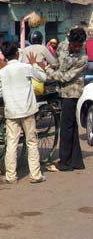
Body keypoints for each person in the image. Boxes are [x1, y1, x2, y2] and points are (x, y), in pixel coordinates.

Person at [0, 43, 47, 184]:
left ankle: (11, 176)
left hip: (11, 111)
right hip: (27, 110)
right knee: (31, 141)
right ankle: (35, 175)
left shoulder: (2, 72)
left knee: (11, 143)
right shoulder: (26, 67)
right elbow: (43, 78)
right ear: (17, 54)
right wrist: (35, 64)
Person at [45, 28, 88, 172]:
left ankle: (64, 162)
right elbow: (56, 62)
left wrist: (47, 71)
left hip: (72, 93)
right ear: (69, 41)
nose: (75, 48)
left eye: (78, 46)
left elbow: (66, 77)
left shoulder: (82, 58)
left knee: (66, 128)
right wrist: (51, 66)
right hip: (61, 90)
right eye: (73, 44)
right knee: (72, 126)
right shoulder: (63, 45)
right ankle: (76, 161)